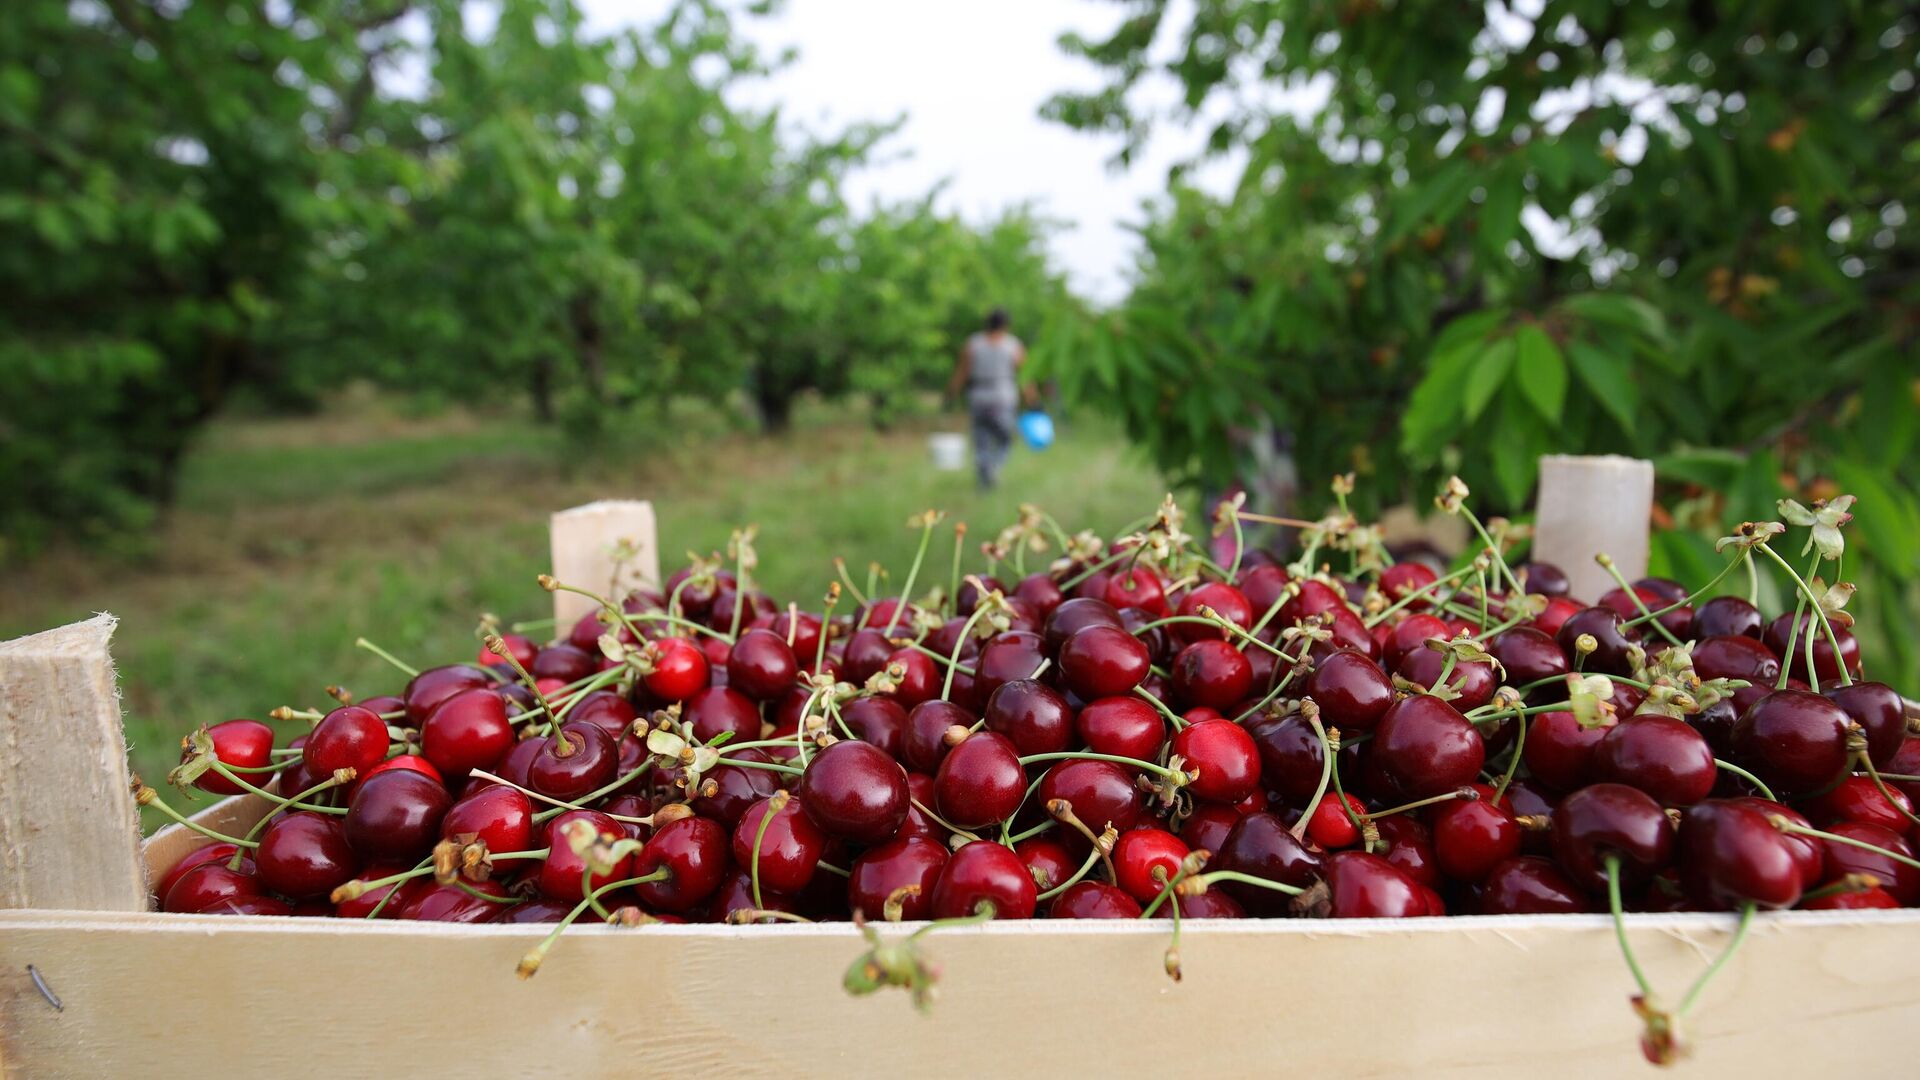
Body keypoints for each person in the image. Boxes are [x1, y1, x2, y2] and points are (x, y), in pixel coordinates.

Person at [946, 307, 1036, 489]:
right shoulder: (1012, 345)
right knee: (1006, 438)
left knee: (981, 441)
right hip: (1003, 397)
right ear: (1006, 325)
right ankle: (993, 467)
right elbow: (1024, 375)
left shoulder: (974, 343)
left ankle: (984, 474)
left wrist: (951, 393)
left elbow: (962, 372)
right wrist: (1032, 398)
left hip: (978, 396)